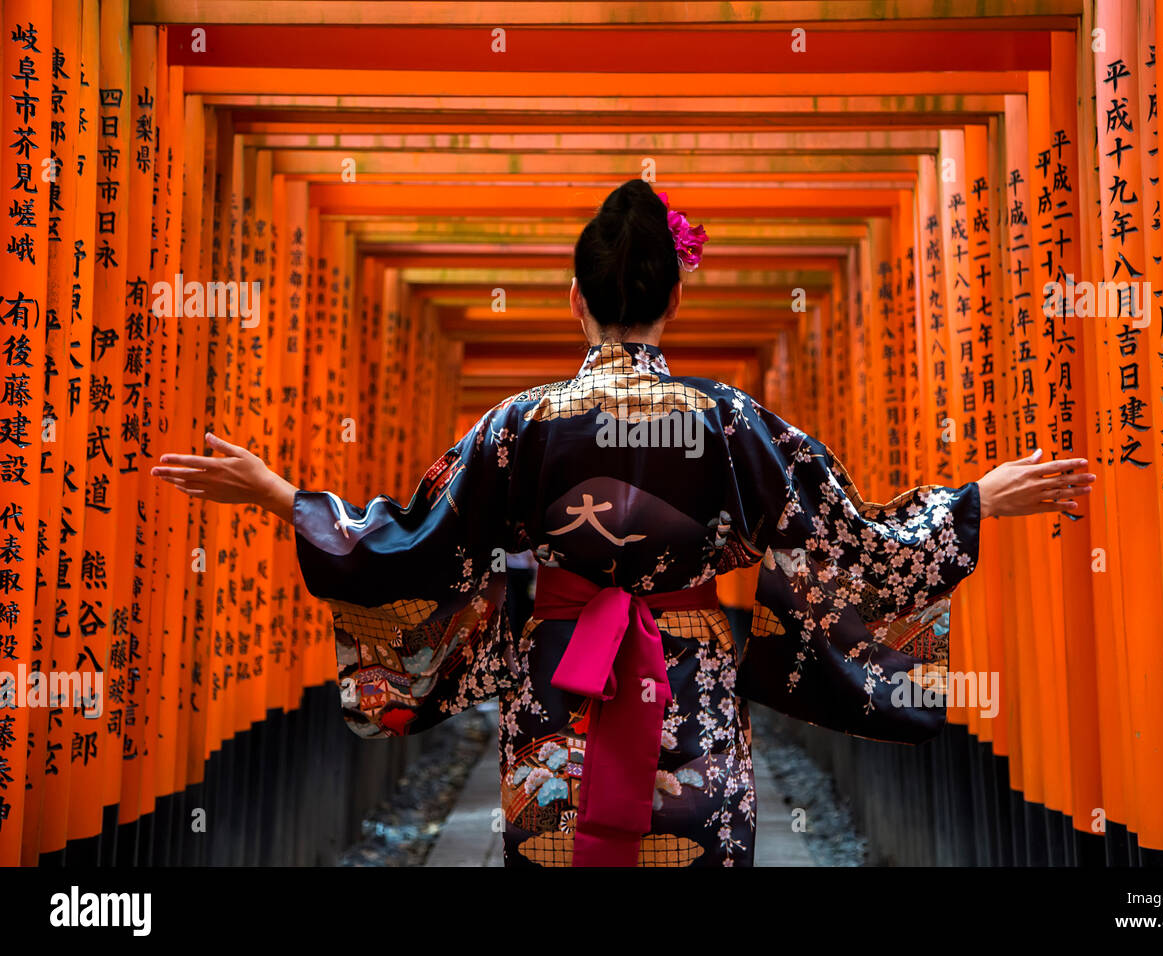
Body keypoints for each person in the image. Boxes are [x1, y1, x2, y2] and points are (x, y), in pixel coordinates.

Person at [152, 178, 1094, 868]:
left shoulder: (517, 424)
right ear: (675, 298)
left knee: (559, 851)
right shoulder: (731, 421)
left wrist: (280, 495)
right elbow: (849, 545)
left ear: (576, 299)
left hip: (557, 691)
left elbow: (419, 547)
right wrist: (978, 502)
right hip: (692, 691)